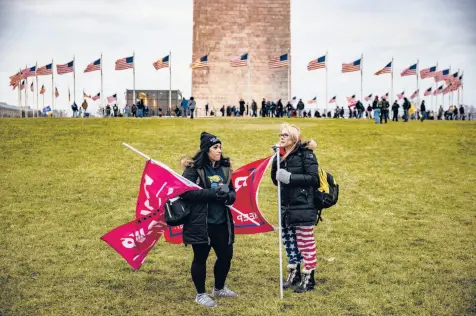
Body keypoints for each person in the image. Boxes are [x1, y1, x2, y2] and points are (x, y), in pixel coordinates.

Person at [180, 132, 237, 307]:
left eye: (220, 147)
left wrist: (228, 197)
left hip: (222, 221)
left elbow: (232, 192)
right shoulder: (193, 169)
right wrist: (212, 194)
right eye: (215, 147)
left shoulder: (225, 168)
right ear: (206, 150)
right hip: (201, 222)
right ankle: (201, 294)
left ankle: (219, 288)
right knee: (200, 257)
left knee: (226, 256)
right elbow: (185, 192)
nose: (219, 150)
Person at [271, 124, 319, 293]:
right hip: (286, 206)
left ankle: (309, 277)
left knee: (305, 242)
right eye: (280, 134)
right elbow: (275, 180)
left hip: (303, 205)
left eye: (285, 134)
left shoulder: (306, 154)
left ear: (293, 138)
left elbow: (314, 178)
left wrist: (291, 177)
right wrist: (276, 159)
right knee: (290, 242)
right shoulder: (280, 155)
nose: (281, 137)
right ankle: (294, 273)